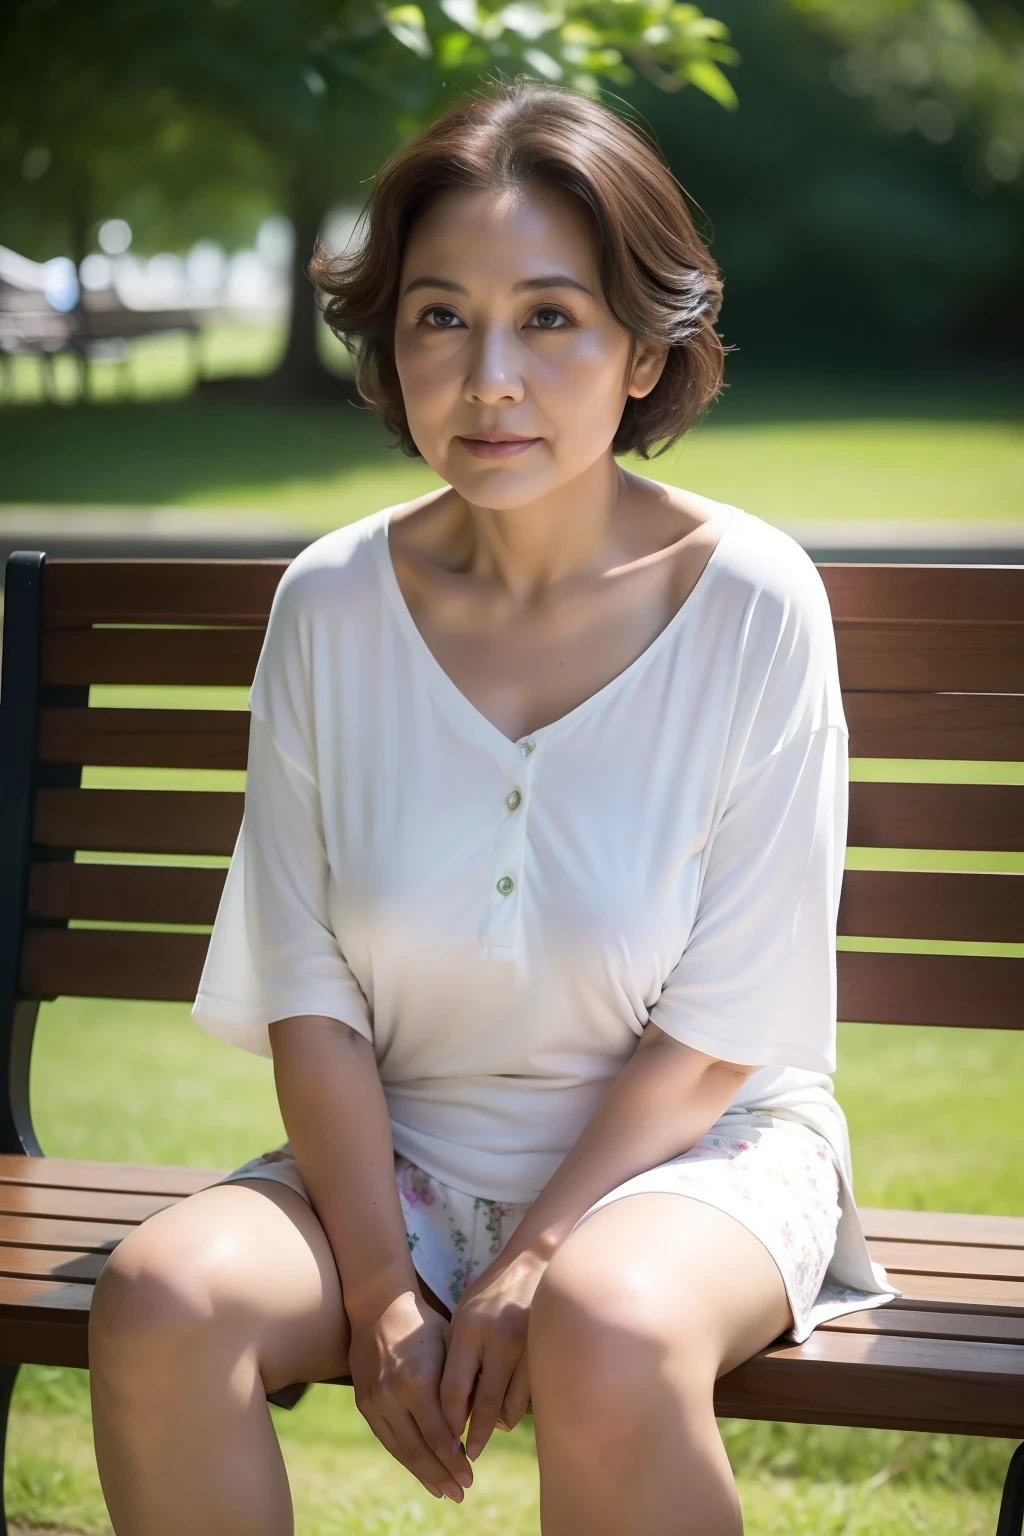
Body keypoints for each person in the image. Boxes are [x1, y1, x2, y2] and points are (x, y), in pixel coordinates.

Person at [87, 75, 899, 1536]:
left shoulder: (755, 602)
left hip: (690, 1163)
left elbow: (726, 1024)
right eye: (440, 317)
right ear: (391, 349)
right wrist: (382, 1278)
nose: (488, 380)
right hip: (403, 1162)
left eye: (549, 317)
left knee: (603, 1320)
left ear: (645, 355)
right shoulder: (330, 604)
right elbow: (310, 989)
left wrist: (533, 1258)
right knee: (162, 1299)